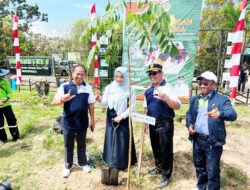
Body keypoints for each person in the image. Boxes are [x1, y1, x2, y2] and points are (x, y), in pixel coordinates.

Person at [186, 71, 237, 190]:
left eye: (206, 83)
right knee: (199, 166)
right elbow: (189, 114)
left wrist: (220, 114)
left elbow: (233, 115)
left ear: (214, 85)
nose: (202, 86)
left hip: (212, 142)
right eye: (200, 83)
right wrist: (189, 125)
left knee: (213, 170)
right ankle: (201, 186)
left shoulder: (222, 100)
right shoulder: (194, 99)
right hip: (197, 139)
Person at [52, 65, 95, 178]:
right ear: (72, 73)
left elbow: (90, 103)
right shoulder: (65, 86)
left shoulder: (88, 87)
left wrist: (92, 119)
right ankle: (68, 166)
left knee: (82, 144)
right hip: (68, 122)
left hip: (82, 122)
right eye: (78, 74)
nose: (80, 76)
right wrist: (63, 99)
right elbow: (54, 102)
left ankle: (82, 163)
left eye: (82, 74)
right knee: (68, 145)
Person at [143, 63, 181, 188]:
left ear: (161, 73)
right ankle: (158, 167)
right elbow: (146, 108)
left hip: (165, 124)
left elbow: (177, 106)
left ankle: (166, 174)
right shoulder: (148, 91)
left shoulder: (168, 88)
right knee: (156, 148)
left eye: (154, 73)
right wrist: (145, 124)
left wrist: (166, 99)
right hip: (152, 123)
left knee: (166, 150)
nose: (152, 76)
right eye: (150, 74)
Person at [95, 67, 137, 170]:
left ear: (125, 77)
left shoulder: (130, 89)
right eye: (116, 76)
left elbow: (132, 106)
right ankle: (110, 161)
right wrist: (99, 100)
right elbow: (105, 101)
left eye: (121, 77)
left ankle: (123, 163)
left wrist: (122, 116)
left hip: (124, 117)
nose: (118, 79)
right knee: (111, 137)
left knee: (123, 139)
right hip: (111, 116)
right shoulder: (109, 87)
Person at [0, 69, 20, 145]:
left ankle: (16, 137)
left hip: (7, 105)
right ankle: (2, 139)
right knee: (0, 123)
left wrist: (7, 98)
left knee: (12, 120)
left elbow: (9, 92)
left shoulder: (5, 81)